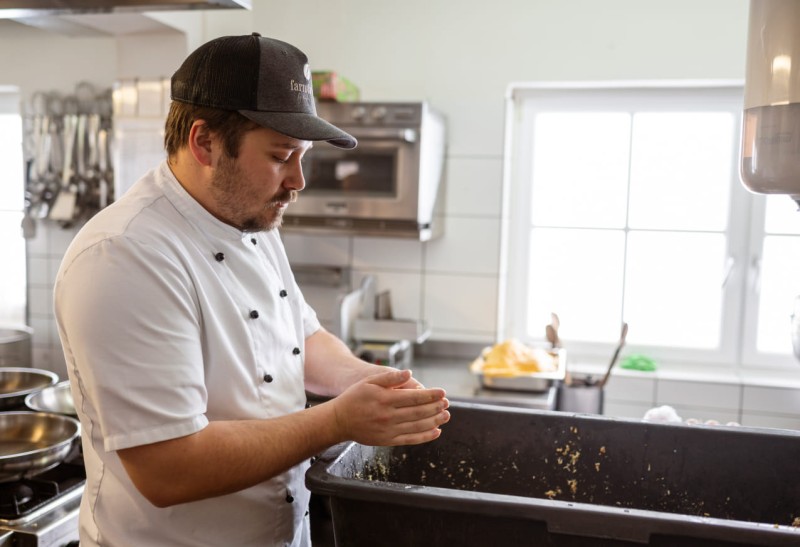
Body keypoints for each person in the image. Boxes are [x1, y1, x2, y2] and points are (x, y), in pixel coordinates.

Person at [54, 33, 450, 547]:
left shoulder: (250, 217)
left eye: (302, 156)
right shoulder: (124, 255)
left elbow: (301, 339)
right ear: (205, 143)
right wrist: (337, 420)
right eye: (282, 156)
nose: (298, 181)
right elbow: (168, 467)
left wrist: (371, 380)